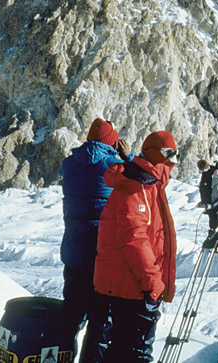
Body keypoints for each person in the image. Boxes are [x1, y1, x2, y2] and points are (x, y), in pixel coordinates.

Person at [83, 131, 179, 363]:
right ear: (156, 154)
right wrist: (153, 283)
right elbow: (134, 239)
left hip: (130, 285)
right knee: (135, 354)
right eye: (170, 154)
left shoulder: (149, 184)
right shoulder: (136, 188)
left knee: (120, 353)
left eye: (176, 155)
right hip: (131, 288)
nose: (173, 161)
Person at [60, 117, 133, 359]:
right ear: (112, 143)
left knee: (70, 322)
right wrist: (127, 158)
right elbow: (137, 185)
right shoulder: (113, 166)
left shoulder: (68, 165)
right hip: (102, 261)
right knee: (99, 323)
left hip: (73, 258)